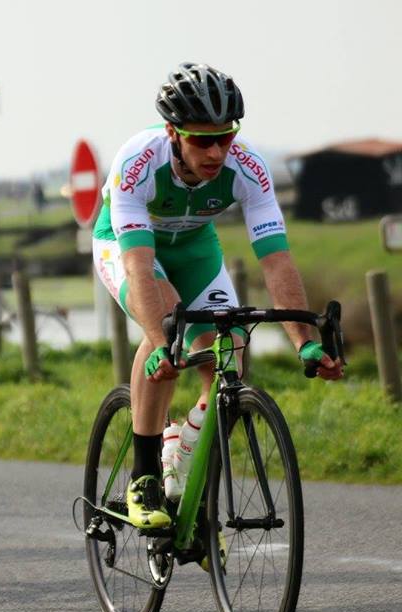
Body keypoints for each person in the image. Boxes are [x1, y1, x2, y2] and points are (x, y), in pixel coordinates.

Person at [92, 62, 343, 529]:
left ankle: (185, 458)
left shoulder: (248, 167)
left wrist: (303, 341)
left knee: (231, 352)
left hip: (194, 248)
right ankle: (144, 475)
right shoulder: (137, 161)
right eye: (202, 140)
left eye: (225, 138)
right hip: (128, 246)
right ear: (172, 132)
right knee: (166, 324)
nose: (215, 152)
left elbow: (276, 261)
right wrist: (162, 342)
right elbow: (140, 266)